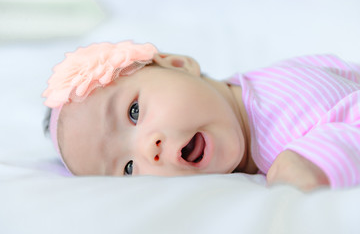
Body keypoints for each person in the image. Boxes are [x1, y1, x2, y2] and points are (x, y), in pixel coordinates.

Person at [43, 41, 360, 191]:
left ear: (178, 65)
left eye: (134, 112)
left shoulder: (286, 100)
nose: (146, 150)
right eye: (127, 169)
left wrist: (309, 160)